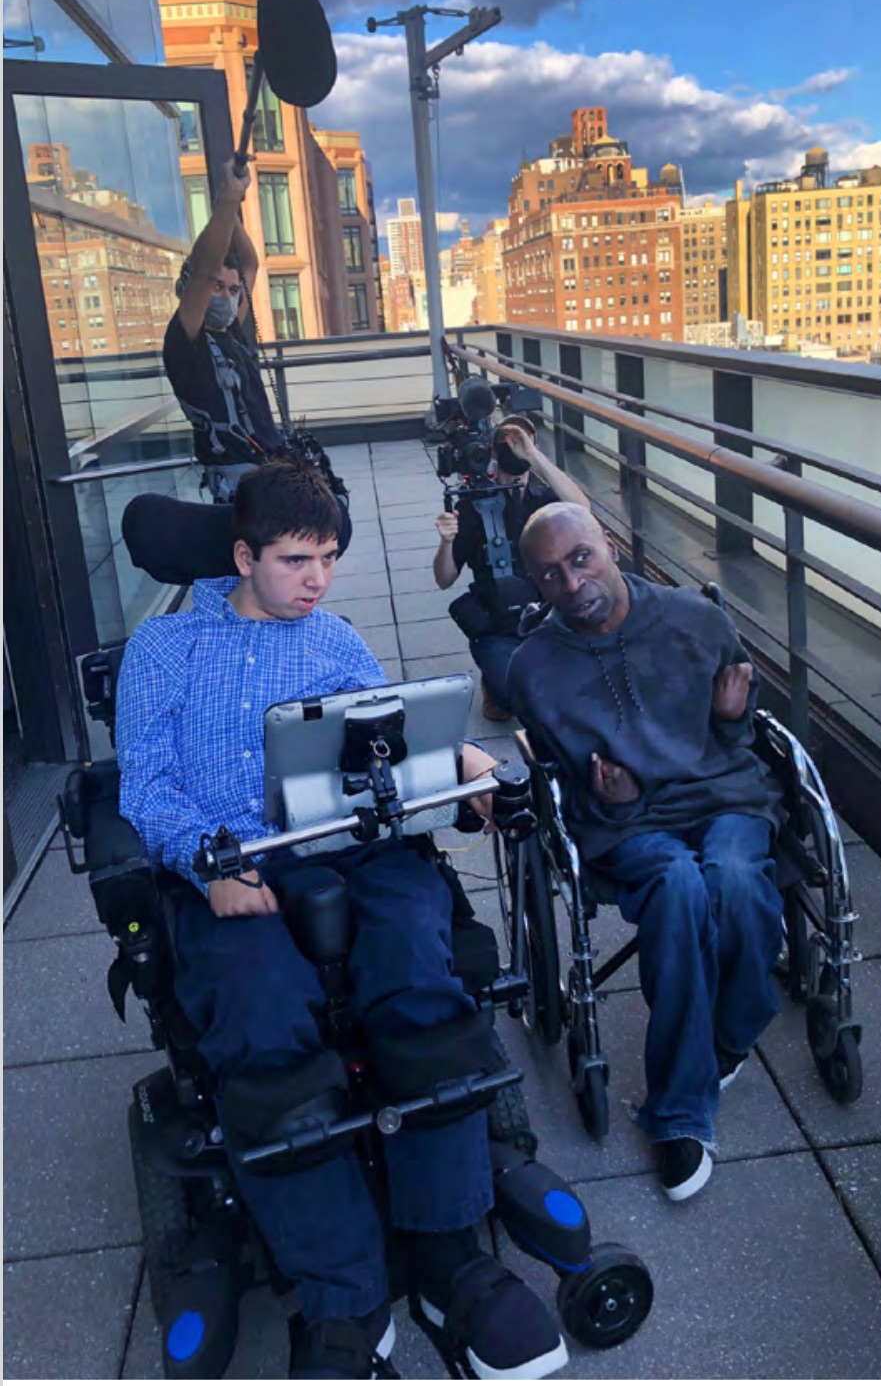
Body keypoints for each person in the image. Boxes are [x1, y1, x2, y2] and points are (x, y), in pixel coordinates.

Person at [116, 461, 567, 1381]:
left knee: (420, 968)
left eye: (326, 558)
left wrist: (466, 770)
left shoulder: (334, 638)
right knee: (261, 1014)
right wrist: (208, 865)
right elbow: (145, 785)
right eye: (293, 560)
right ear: (243, 556)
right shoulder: (166, 651)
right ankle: (343, 1294)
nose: (315, 580)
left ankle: (449, 1259)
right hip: (230, 859)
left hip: (349, 844)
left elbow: (393, 742)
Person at [507, 503, 783, 1204]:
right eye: (550, 576)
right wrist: (620, 801)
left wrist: (728, 719)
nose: (571, 585)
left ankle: (730, 1031)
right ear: (534, 585)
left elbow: (744, 736)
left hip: (723, 798)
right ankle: (680, 1113)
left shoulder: (697, 618)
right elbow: (561, 794)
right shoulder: (535, 668)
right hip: (629, 828)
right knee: (681, 885)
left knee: (735, 878)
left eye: (580, 559)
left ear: (607, 540)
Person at [432, 414, 590, 722]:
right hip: (498, 624)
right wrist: (445, 543)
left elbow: (582, 510)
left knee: (579, 685)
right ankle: (497, 682)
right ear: (492, 451)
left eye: (522, 440)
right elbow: (444, 578)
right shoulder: (473, 505)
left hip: (550, 618)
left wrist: (533, 457)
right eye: (506, 442)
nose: (514, 447)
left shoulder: (545, 501)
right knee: (517, 697)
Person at [163, 158, 282, 503]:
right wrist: (226, 203)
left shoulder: (229, 331)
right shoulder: (188, 341)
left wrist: (232, 205)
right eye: (218, 288)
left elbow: (249, 264)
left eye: (233, 291)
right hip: (236, 483)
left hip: (265, 469)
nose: (227, 297)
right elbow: (204, 269)